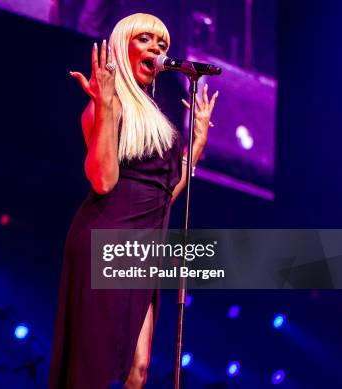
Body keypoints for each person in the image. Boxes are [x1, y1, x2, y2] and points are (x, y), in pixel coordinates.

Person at [49, 13, 218, 389]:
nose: (157, 50)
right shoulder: (104, 107)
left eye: (162, 45)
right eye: (146, 40)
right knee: (94, 366)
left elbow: (162, 196)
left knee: (138, 369)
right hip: (106, 239)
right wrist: (106, 106)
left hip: (145, 246)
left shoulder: (154, 117)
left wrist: (197, 149)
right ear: (123, 46)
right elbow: (103, 179)